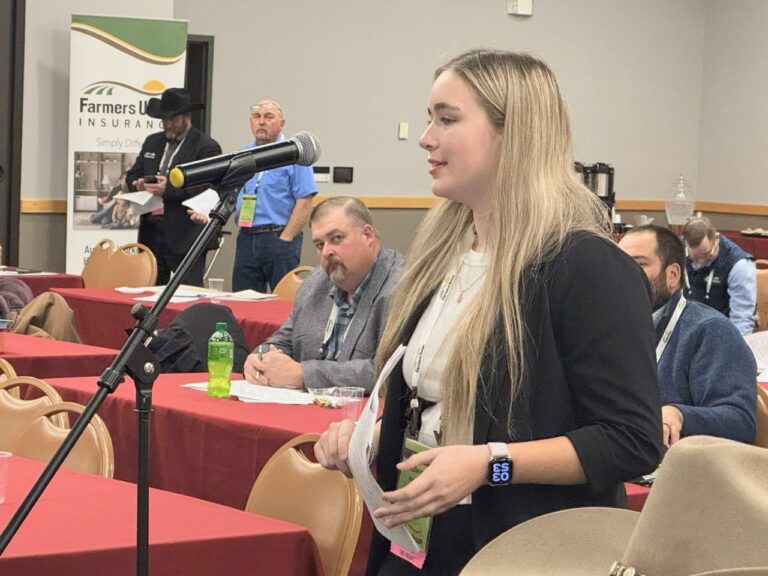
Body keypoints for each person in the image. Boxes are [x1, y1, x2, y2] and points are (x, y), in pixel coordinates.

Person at [314, 50, 663, 576]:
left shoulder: (586, 266)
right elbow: (432, 403)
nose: (426, 138)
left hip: (525, 550)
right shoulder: (442, 252)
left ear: (514, 133)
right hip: (418, 535)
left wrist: (491, 464)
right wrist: (367, 440)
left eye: (447, 119)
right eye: (430, 118)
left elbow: (631, 441)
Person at [243, 196, 404, 392]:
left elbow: (391, 371)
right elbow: (282, 342)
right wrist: (258, 359)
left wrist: (304, 374)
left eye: (337, 238)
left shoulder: (401, 287)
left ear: (368, 235)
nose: (327, 252)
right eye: (319, 244)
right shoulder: (315, 283)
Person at [618, 225, 756, 446]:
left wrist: (680, 415)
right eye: (619, 264)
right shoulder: (610, 326)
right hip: (617, 451)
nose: (623, 273)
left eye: (639, 263)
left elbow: (740, 422)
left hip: (676, 467)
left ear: (672, 275)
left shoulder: (710, 331)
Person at [126, 88, 222, 286]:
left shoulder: (205, 147)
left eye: (173, 119)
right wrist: (138, 184)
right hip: (152, 232)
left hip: (186, 234)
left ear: (186, 116)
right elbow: (133, 174)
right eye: (163, 120)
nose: (168, 124)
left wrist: (168, 189)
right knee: (149, 295)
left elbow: (206, 189)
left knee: (188, 293)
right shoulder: (153, 142)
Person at [231, 99, 317, 292]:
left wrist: (285, 239)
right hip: (246, 235)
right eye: (256, 116)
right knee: (242, 300)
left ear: (282, 123)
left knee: (281, 303)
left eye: (268, 117)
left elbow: (305, 201)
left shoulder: (294, 153)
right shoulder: (243, 154)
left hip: (278, 236)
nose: (261, 122)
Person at [682, 215, 756, 335]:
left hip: (721, 332)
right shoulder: (678, 250)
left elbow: (741, 319)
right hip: (687, 328)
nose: (700, 263)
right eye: (694, 258)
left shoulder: (738, 265)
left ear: (716, 238)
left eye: (706, 255)